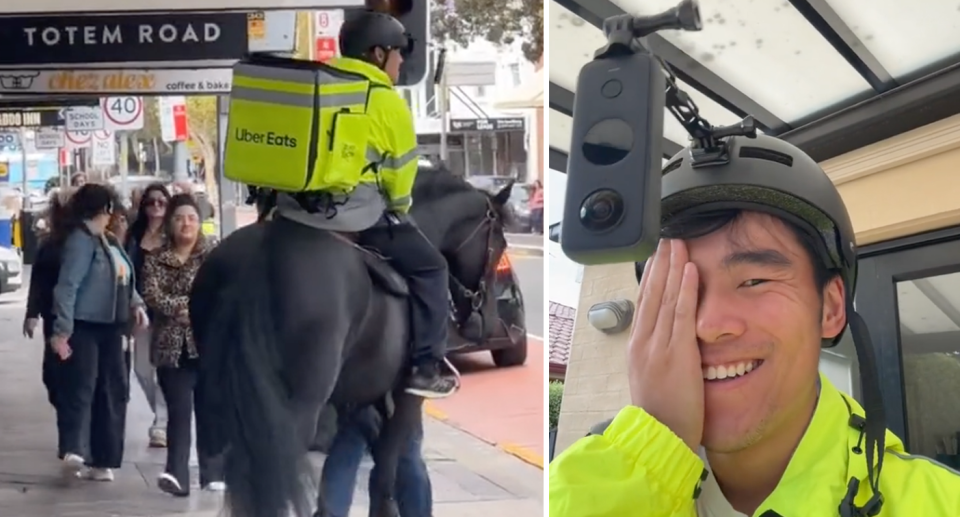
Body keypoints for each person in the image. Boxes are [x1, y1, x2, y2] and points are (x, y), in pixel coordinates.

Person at [548, 134, 960, 515]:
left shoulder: (938, 502)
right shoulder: (569, 491)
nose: (708, 325)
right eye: (683, 290)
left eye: (754, 280)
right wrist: (655, 451)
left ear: (831, 307)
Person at [274, 10, 455, 398]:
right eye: (397, 53)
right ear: (376, 54)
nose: (401, 61)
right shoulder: (387, 103)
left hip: (291, 209)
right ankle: (425, 367)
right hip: (358, 215)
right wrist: (400, 208)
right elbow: (400, 176)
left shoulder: (316, 84)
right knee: (432, 269)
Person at [51, 184, 148, 482]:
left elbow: (125, 277)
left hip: (112, 326)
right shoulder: (81, 242)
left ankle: (104, 457)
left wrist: (137, 304)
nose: (113, 216)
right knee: (83, 387)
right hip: (85, 325)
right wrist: (62, 330)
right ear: (101, 210)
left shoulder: (107, 241)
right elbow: (67, 288)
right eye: (109, 210)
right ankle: (77, 448)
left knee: (113, 390)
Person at [141, 194, 224, 496]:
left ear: (199, 222)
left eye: (191, 217)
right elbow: (152, 293)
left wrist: (198, 311)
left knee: (210, 409)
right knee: (178, 412)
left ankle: (213, 471)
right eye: (179, 218)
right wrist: (182, 309)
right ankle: (176, 474)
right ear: (169, 224)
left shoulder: (214, 255)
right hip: (171, 347)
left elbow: (224, 291)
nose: (186, 223)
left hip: (207, 344)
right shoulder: (156, 258)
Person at [125, 183, 171, 448]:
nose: (156, 207)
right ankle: (164, 414)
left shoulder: (173, 234)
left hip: (166, 312)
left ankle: (162, 423)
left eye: (161, 202)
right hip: (140, 310)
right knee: (142, 369)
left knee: (162, 369)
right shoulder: (134, 234)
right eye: (151, 202)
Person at [322, 409, 432, 517]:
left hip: (358, 400)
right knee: (407, 454)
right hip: (400, 403)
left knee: (347, 447)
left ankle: (330, 513)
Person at [24, 188, 75, 409]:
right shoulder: (49, 245)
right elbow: (38, 279)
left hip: (81, 319)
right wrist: (32, 313)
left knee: (72, 376)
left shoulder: (90, 243)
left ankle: (74, 430)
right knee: (53, 374)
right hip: (53, 317)